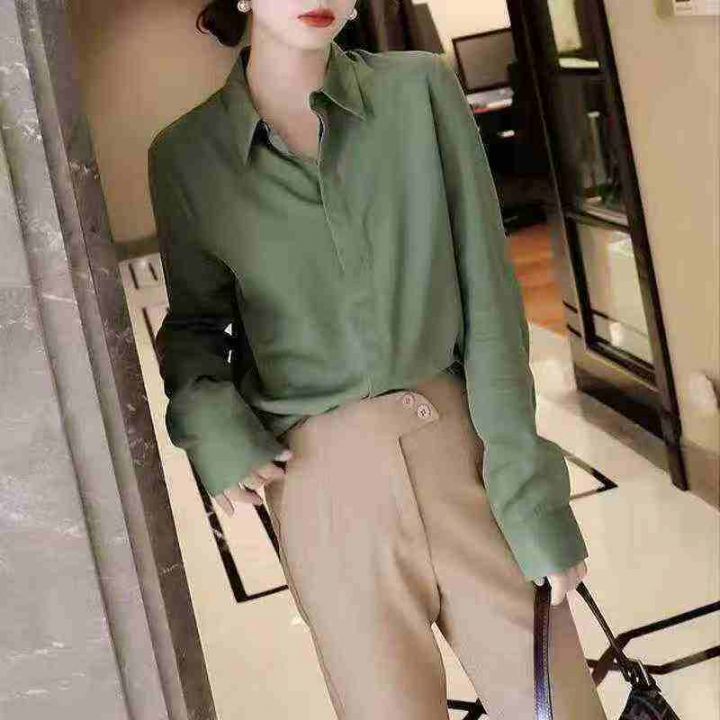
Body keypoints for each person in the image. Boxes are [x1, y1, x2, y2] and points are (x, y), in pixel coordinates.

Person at [147, 1, 608, 717]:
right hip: (321, 488)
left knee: (560, 705)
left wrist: (531, 496)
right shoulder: (186, 155)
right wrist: (211, 423)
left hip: (465, 460)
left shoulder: (419, 90)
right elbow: (195, 325)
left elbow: (489, 297)